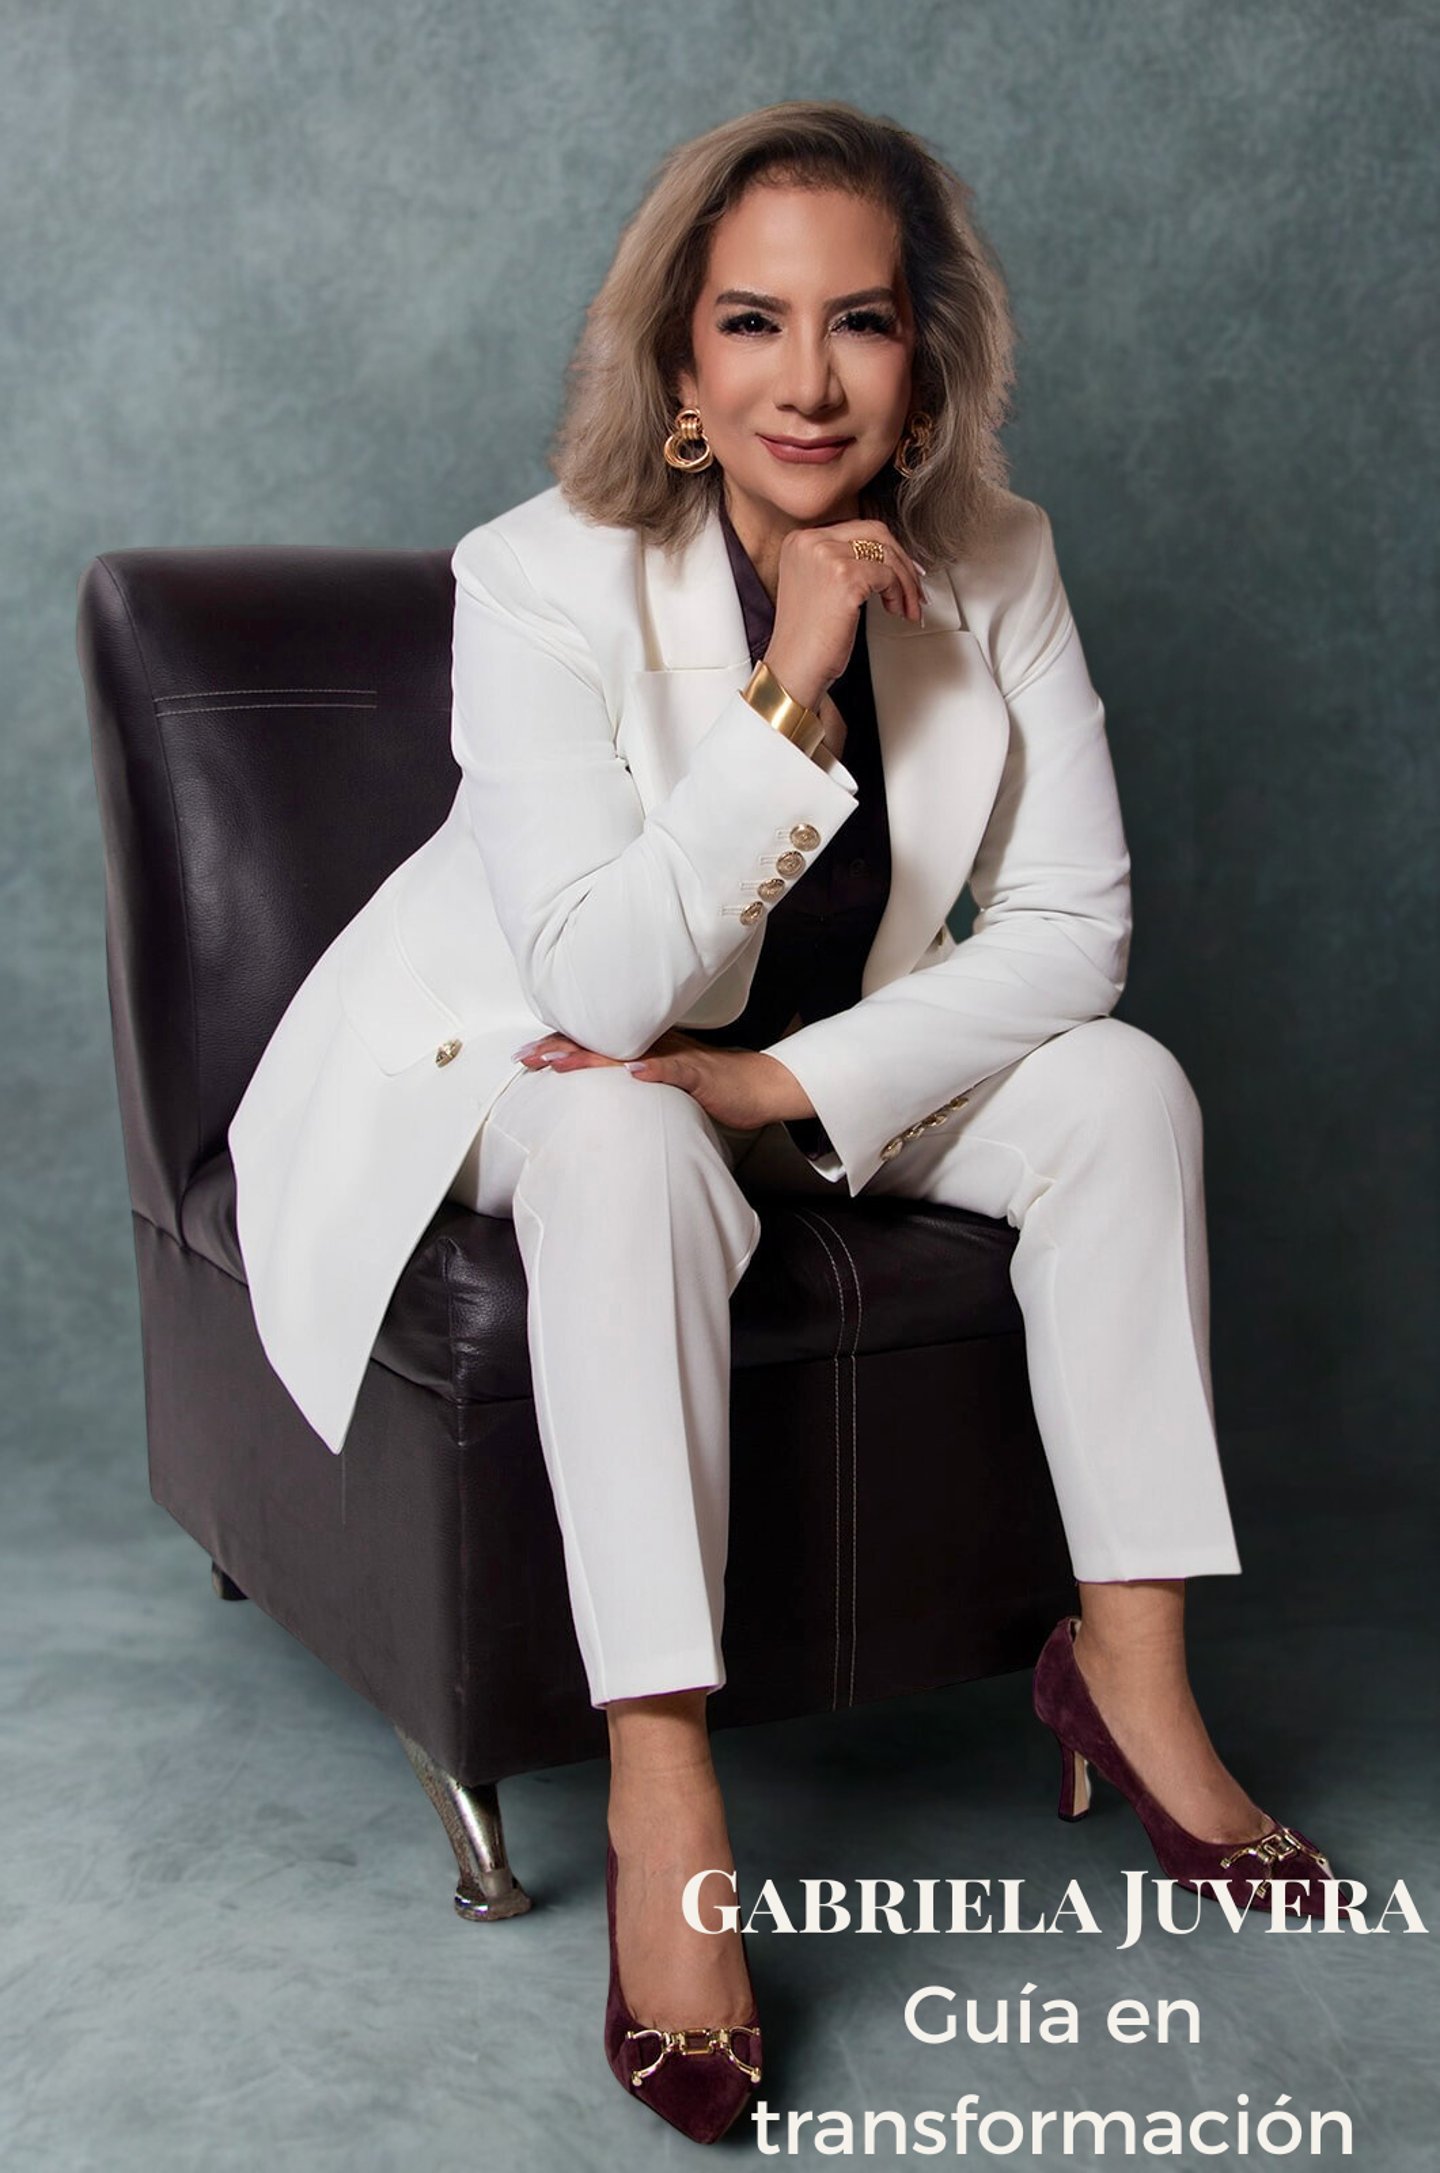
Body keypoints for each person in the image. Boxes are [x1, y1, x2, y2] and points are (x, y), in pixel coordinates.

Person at [228, 99, 1336, 2148]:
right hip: (536, 1062)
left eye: (862, 322)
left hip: (802, 1059)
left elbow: (1077, 932)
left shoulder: (1001, 556)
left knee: (1125, 1086)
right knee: (624, 1135)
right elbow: (604, 991)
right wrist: (796, 677)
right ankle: (664, 1780)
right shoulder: (535, 578)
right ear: (679, 356)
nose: (807, 381)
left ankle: (1134, 1667)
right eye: (752, 321)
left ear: (931, 355)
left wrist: (786, 1083)